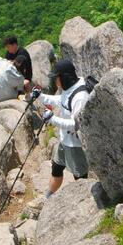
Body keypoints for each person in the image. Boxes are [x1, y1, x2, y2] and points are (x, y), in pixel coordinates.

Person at [39, 59, 89, 197]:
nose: (55, 81)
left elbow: (75, 125)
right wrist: (40, 97)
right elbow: (61, 100)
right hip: (64, 139)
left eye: (56, 77)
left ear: (64, 77)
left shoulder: (80, 96)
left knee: (80, 177)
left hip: (75, 144)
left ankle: (82, 203)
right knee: (56, 168)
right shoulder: (70, 88)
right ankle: (48, 197)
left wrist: (52, 119)